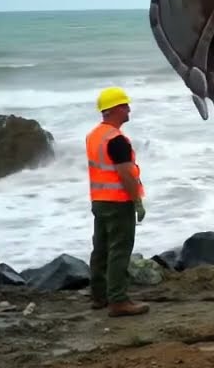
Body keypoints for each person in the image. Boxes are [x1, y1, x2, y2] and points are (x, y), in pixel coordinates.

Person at [86, 86, 149, 317]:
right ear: (113, 110)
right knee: (119, 251)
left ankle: (99, 296)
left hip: (99, 200)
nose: (128, 109)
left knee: (100, 249)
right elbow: (125, 174)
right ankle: (118, 301)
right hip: (118, 202)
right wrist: (137, 202)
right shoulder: (117, 140)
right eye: (124, 106)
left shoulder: (94, 135)